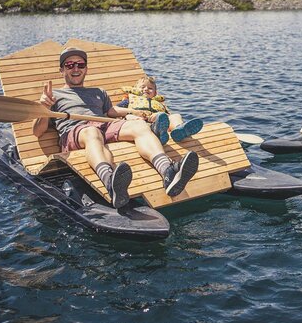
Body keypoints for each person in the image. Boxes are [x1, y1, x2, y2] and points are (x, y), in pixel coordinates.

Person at [32, 48, 199, 208]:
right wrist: (43, 109)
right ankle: (110, 181)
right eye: (70, 65)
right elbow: (37, 132)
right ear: (62, 70)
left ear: (86, 69)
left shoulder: (99, 92)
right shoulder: (53, 96)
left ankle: (168, 172)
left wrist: (133, 112)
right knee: (92, 132)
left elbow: (110, 111)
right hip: (77, 130)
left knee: (140, 126)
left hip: (105, 124)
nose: (76, 68)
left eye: (80, 65)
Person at [117, 75, 204, 144]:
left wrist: (160, 115)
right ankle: (158, 132)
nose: (146, 89)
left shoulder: (159, 103)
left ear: (155, 93)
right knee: (129, 117)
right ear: (135, 90)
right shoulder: (129, 100)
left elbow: (168, 116)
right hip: (142, 124)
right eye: (142, 87)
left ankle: (180, 130)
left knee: (175, 116)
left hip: (159, 121)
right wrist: (133, 113)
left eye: (150, 88)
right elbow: (115, 111)